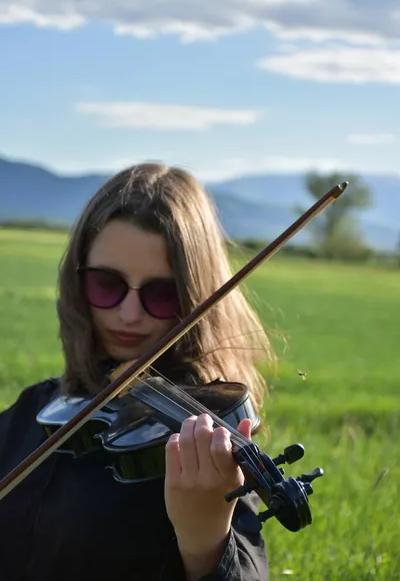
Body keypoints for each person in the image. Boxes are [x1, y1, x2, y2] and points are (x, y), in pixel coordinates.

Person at [0, 162, 276, 580]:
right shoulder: (37, 408)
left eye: (161, 294)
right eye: (106, 284)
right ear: (77, 284)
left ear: (194, 300)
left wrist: (205, 540)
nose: (129, 315)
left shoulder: (203, 439)